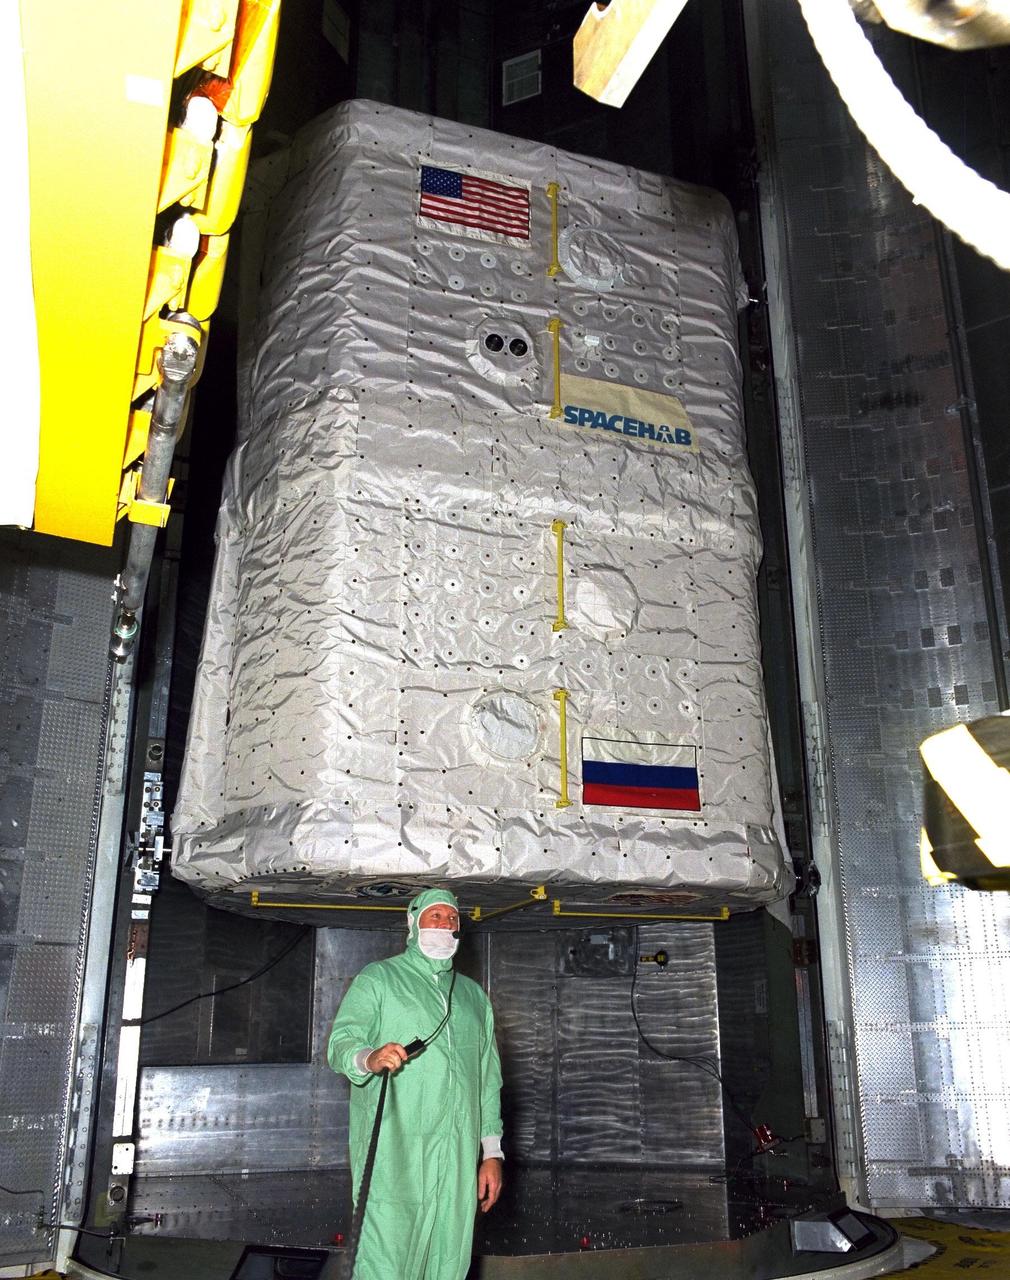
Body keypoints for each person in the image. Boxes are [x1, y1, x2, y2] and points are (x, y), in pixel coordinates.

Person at [327, 888, 504, 1280]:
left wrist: (492, 1153)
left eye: (452, 918)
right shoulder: (380, 978)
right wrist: (369, 1057)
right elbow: (340, 1043)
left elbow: (488, 1080)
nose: (445, 924)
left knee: (449, 1254)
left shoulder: (473, 997)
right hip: (397, 1151)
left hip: (457, 1155)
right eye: (435, 916)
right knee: (386, 1255)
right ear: (413, 923)